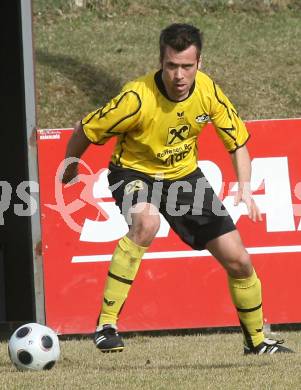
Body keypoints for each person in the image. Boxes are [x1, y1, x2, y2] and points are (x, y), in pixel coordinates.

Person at [62, 23, 292, 355]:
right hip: (133, 172)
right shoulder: (135, 99)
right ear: (161, 62)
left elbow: (238, 142)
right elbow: (86, 128)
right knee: (146, 223)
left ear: (199, 63)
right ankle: (106, 325)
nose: (179, 75)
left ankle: (256, 342)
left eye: (187, 66)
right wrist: (70, 165)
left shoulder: (207, 91)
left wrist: (245, 187)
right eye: (172, 66)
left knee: (239, 260)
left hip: (184, 178)